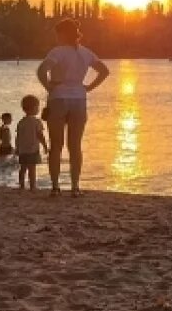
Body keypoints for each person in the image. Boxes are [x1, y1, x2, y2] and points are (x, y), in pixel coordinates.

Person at [37, 18, 110, 196]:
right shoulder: (86, 53)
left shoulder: (57, 52)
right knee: (75, 146)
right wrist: (88, 87)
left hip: (59, 98)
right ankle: (75, 187)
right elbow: (104, 71)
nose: (56, 37)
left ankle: (55, 187)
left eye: (57, 34)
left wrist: (48, 87)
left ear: (62, 34)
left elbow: (41, 70)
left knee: (56, 145)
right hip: (79, 99)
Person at [15, 95, 48, 190]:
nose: (38, 109)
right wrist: (45, 146)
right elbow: (40, 135)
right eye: (37, 107)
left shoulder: (21, 122)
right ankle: (32, 186)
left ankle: (21, 185)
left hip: (23, 149)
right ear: (34, 108)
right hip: (33, 149)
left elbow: (18, 137)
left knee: (23, 168)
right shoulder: (37, 122)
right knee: (32, 168)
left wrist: (17, 148)